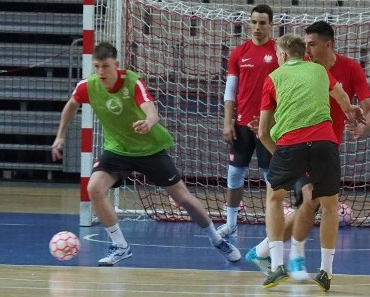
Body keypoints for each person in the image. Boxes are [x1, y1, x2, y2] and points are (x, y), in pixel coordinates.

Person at [52, 42, 241, 266]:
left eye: (105, 66)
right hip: (117, 149)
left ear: (117, 65)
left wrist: (148, 122)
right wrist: (60, 136)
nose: (101, 72)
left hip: (149, 149)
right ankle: (120, 246)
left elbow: (151, 110)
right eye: (97, 67)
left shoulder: (132, 82)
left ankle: (216, 239)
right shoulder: (88, 86)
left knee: (183, 198)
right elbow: (71, 105)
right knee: (94, 188)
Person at [246, 21, 370, 288]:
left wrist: (361, 121)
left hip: (302, 144)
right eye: (305, 45)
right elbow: (344, 100)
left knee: (300, 200)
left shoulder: (345, 68)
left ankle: (270, 256)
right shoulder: (316, 69)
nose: (308, 49)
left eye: (312, 44)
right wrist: (350, 110)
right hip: (322, 144)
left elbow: (364, 108)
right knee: (313, 200)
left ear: (326, 45)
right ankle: (302, 260)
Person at [218, 4, 280, 238]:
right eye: (254, 22)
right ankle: (231, 223)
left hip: (269, 126)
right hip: (242, 126)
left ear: (271, 24)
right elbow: (230, 91)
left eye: (262, 22)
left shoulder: (278, 53)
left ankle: (272, 228)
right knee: (234, 174)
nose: (257, 27)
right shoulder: (238, 53)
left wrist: (274, 120)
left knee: (270, 178)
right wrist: (227, 122)